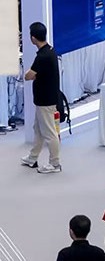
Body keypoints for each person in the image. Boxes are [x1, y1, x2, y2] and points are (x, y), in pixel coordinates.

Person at [20, 22, 61, 174]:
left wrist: (32, 75)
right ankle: (33, 157)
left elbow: (28, 75)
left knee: (49, 133)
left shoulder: (42, 57)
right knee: (37, 129)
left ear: (32, 38)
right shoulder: (50, 50)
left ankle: (55, 163)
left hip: (45, 100)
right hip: (45, 98)